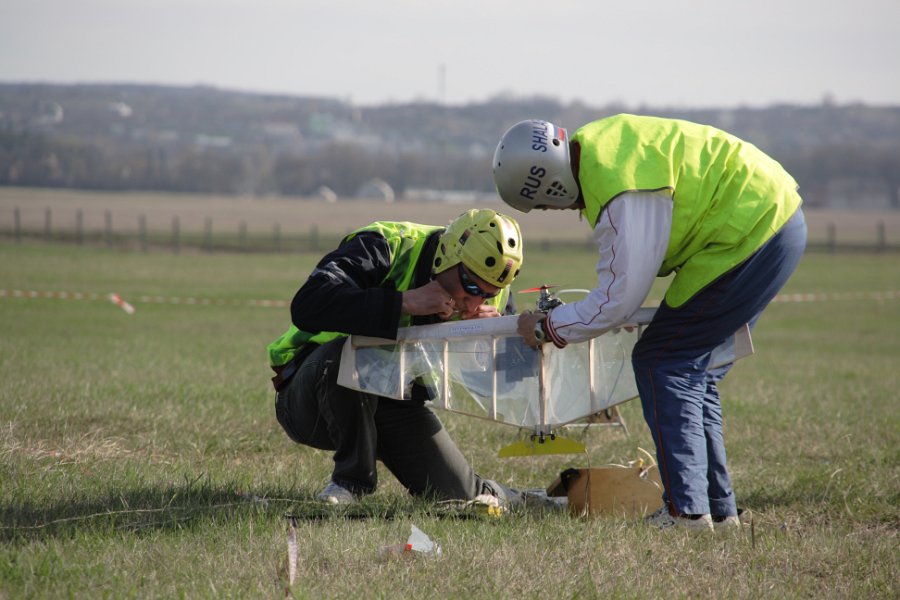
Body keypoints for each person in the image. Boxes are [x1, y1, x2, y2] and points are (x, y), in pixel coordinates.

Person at [492, 114, 807, 531]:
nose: (560, 209)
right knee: (691, 369)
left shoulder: (617, 186)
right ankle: (717, 509)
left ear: (550, 185)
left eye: (547, 203)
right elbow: (624, 290)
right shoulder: (605, 151)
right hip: (770, 218)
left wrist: (545, 327)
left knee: (664, 361)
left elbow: (618, 299)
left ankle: (686, 512)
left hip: (750, 231)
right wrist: (608, 311)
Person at [267, 209, 525, 506]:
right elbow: (308, 304)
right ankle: (351, 483)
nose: (475, 301)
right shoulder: (386, 245)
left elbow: (505, 384)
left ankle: (523, 498)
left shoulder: (495, 292)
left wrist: (489, 338)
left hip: (395, 402)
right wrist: (403, 302)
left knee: (458, 496)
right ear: (449, 256)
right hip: (313, 394)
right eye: (471, 286)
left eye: (488, 293)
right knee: (349, 353)